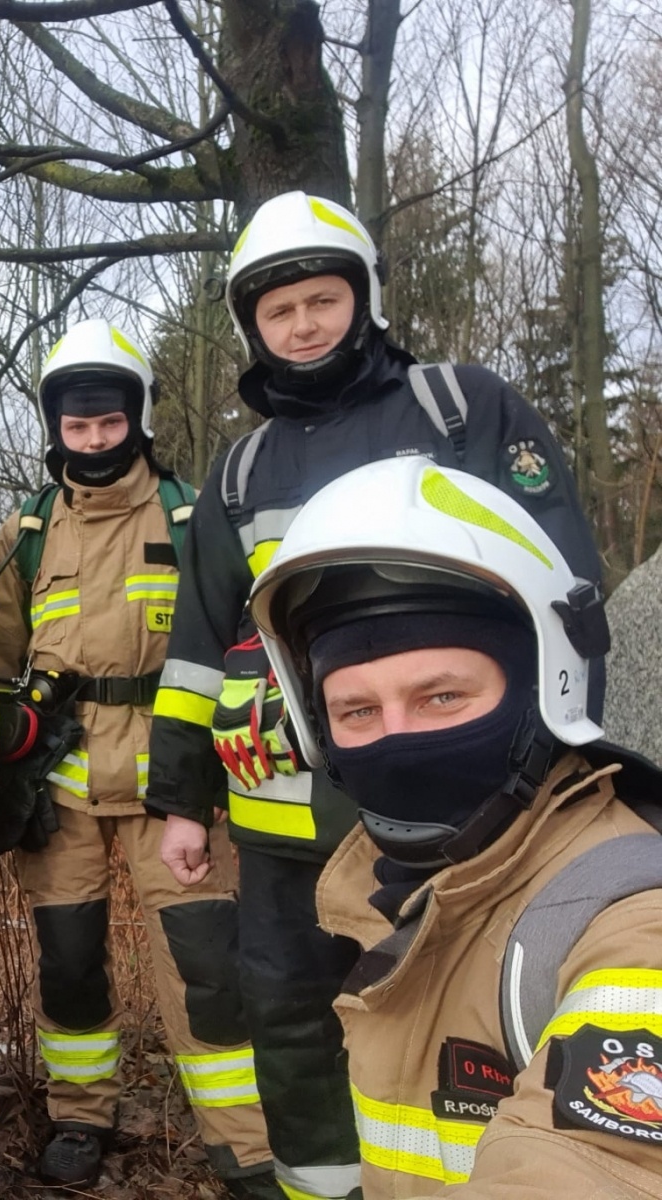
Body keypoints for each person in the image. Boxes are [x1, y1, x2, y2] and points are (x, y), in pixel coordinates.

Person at [144, 191, 605, 1200]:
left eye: (322, 299)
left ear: (363, 299)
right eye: (279, 311)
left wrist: (566, 740)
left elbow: (563, 587)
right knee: (291, 1020)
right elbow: (192, 650)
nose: (303, 324)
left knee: (462, 1025)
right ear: (250, 328)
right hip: (281, 828)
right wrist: (178, 800)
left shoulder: (462, 410)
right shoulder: (238, 472)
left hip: (461, 809)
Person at [246, 456, 661, 1196]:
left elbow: (601, 1168)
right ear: (317, 731)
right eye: (357, 712)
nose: (397, 744)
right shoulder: (397, 894)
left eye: (441, 699)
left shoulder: (631, 924)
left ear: (541, 692)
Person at [0, 319, 274, 1194]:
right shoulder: (26, 532)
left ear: (136, 417)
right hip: (62, 787)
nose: (95, 439)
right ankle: (83, 1115)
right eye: (77, 426)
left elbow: (240, 643)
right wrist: (6, 741)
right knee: (69, 962)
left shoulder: (193, 518)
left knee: (206, 966)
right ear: (55, 428)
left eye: (109, 422)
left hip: (173, 780)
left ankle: (244, 1142)